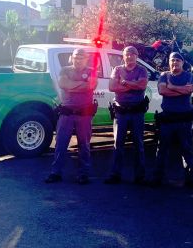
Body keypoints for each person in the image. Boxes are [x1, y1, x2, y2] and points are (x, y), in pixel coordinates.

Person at [44, 47, 97, 185]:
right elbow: (63, 84)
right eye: (76, 57)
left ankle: (83, 174)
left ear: (86, 59)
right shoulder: (65, 70)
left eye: (81, 57)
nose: (78, 60)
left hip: (84, 114)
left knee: (84, 145)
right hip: (66, 113)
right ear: (72, 58)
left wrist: (72, 85)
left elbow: (90, 86)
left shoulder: (92, 71)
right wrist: (81, 84)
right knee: (61, 144)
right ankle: (55, 173)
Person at [149, 52, 193, 187]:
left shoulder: (189, 76)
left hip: (184, 120)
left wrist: (172, 87)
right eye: (172, 60)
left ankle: (189, 179)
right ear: (169, 62)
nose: (174, 63)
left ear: (182, 62)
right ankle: (157, 177)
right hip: (167, 119)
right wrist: (179, 90)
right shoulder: (164, 75)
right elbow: (163, 91)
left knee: (186, 149)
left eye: (177, 60)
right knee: (162, 149)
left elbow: (189, 91)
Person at [104, 46, 149, 185]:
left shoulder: (142, 70)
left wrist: (124, 82)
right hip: (121, 112)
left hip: (137, 112)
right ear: (123, 56)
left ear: (136, 56)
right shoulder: (117, 69)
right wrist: (132, 85)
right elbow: (112, 87)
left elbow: (142, 85)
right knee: (118, 144)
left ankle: (140, 176)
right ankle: (115, 174)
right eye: (126, 54)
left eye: (132, 54)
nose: (129, 57)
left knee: (139, 144)